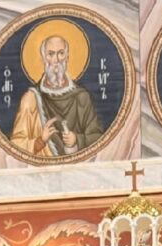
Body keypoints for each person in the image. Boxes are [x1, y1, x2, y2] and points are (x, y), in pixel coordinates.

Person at [7, 30, 103, 159]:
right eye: (51, 54)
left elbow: (97, 136)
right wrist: (41, 140)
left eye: (61, 53)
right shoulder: (31, 99)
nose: (56, 60)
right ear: (43, 58)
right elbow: (15, 144)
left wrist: (77, 140)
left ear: (67, 57)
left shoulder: (82, 97)